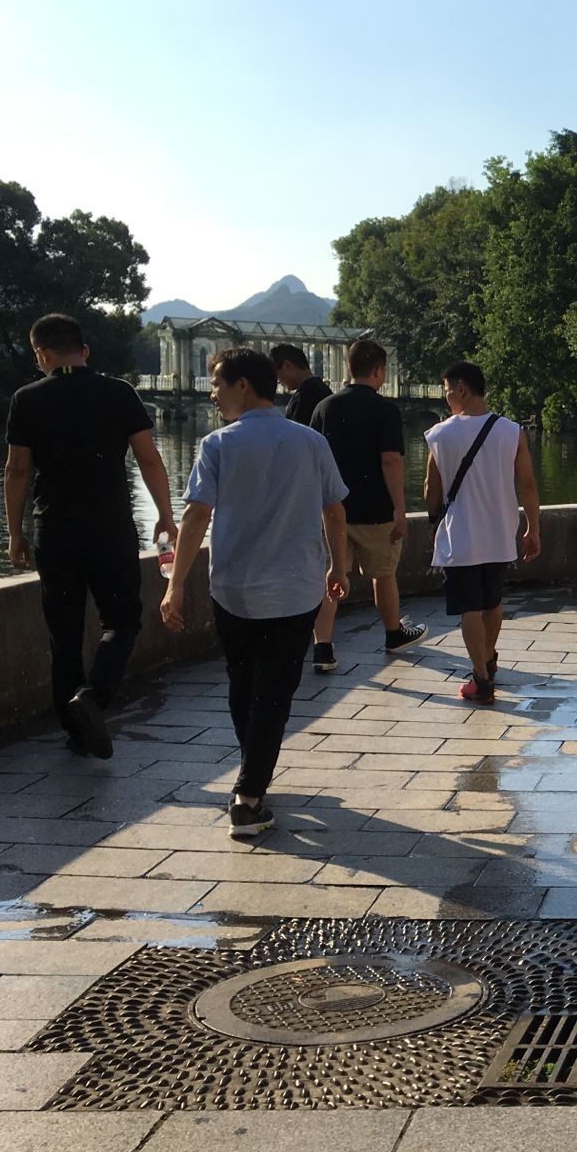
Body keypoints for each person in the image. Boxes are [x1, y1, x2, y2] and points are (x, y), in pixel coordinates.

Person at [160, 347, 348, 838]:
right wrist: (339, 565)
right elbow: (334, 510)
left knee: (243, 685)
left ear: (243, 384)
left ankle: (251, 782)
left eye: (217, 383)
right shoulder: (311, 442)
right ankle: (250, 791)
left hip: (233, 590)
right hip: (296, 589)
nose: (212, 393)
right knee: (275, 692)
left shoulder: (217, 445)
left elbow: (195, 516)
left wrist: (176, 586)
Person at [3, 313, 175, 759]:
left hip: (54, 529)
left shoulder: (27, 398)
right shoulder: (118, 392)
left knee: (63, 634)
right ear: (85, 350)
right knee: (122, 621)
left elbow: (17, 470)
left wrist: (15, 532)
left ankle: (76, 734)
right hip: (110, 527)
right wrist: (165, 515)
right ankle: (94, 697)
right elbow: (149, 459)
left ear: (41, 353)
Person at [424, 361, 540, 705]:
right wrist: (533, 528)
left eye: (448, 391)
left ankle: (481, 678)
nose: (447, 398)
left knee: (469, 609)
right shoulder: (512, 431)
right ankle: (488, 658)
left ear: (461, 390)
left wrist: (434, 519)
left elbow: (431, 488)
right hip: (501, 531)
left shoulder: (439, 435)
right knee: (493, 602)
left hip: (461, 535)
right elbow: (528, 485)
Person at [308, 339, 427, 671]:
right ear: (378, 371)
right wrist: (399, 508)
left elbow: (312, 463)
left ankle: (323, 649)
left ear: (349, 367)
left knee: (332, 578)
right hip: (376, 511)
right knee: (384, 575)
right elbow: (390, 461)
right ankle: (393, 633)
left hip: (333, 510)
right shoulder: (385, 410)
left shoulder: (324, 408)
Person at [270, 344, 331, 426]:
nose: (279, 381)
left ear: (287, 365)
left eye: (277, 375)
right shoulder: (323, 390)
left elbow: (295, 430)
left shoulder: (304, 396)